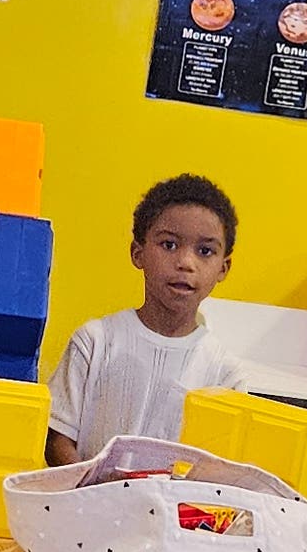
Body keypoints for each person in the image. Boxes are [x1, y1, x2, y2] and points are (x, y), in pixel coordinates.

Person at [44, 172, 248, 465]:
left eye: (205, 251)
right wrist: (92, 490)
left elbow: (218, 470)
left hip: (174, 510)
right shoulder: (95, 341)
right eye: (169, 245)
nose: (185, 263)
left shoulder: (226, 375)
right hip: (88, 505)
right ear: (137, 253)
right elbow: (56, 438)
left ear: (223, 268)